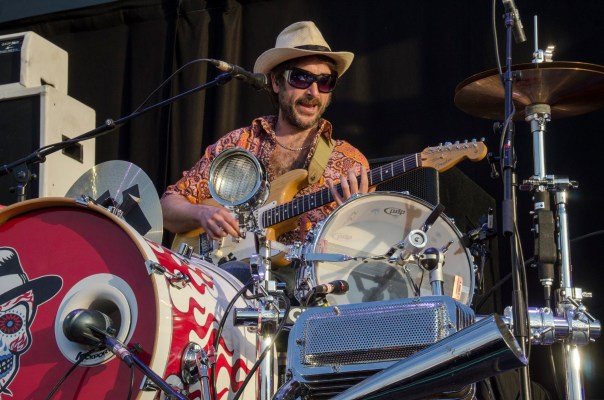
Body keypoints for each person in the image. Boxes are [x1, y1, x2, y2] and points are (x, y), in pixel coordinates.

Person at [161, 21, 373, 299]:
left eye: (325, 82)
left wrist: (351, 216)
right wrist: (202, 214)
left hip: (307, 296)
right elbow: (168, 206)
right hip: (222, 284)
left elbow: (363, 257)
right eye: (301, 78)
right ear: (275, 82)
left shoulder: (349, 163)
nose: (313, 92)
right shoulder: (238, 143)